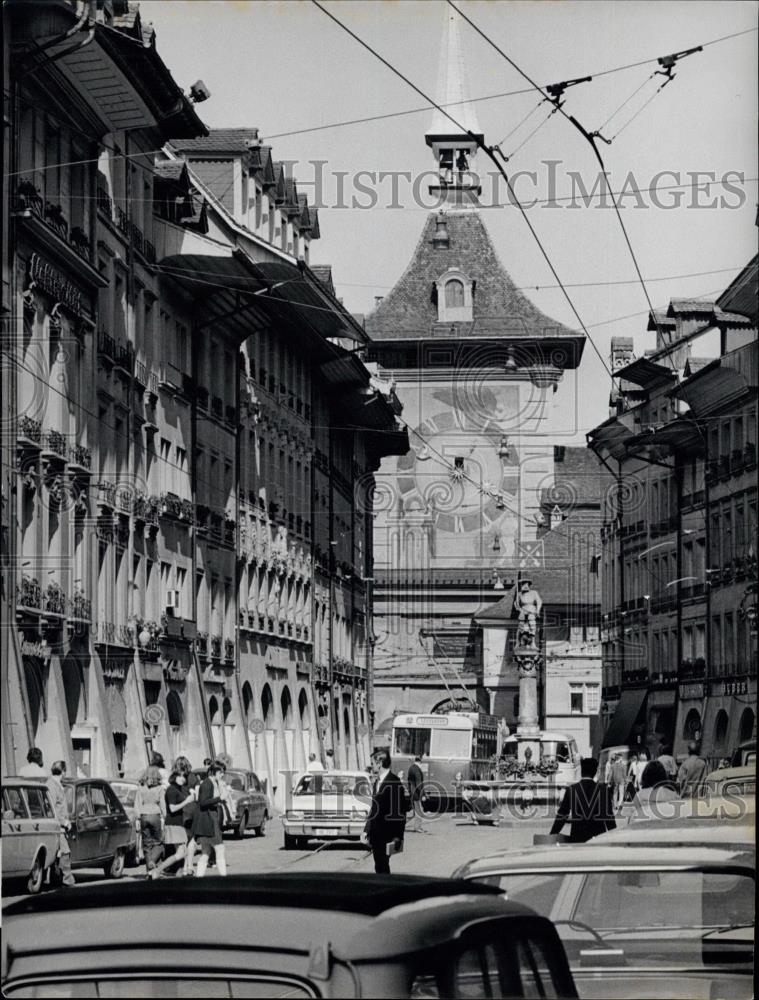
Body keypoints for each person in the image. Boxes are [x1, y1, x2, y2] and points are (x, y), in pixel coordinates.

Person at [550, 757, 616, 843]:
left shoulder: (572, 789)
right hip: (598, 838)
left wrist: (552, 835)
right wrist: (614, 837)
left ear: (581, 772)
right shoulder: (603, 790)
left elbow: (562, 815)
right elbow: (609, 817)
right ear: (595, 772)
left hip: (578, 837)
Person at [363, 750, 407, 873]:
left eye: (373, 763)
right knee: (379, 866)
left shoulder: (394, 782)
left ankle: (386, 889)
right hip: (376, 834)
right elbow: (374, 808)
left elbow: (399, 811)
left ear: (379, 763)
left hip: (387, 833)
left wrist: (398, 836)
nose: (371, 766)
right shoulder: (377, 781)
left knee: (382, 865)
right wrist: (366, 830)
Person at [150, 763, 194, 879]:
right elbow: (172, 808)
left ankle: (169, 872)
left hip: (177, 824)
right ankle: (157, 870)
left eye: (184, 777)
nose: (183, 779)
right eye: (180, 776)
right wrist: (187, 801)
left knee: (181, 853)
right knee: (181, 853)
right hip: (174, 824)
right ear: (175, 776)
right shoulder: (172, 790)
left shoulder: (176, 788)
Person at [194, 760, 228, 877]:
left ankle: (199, 878)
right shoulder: (207, 784)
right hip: (208, 821)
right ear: (215, 771)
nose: (222, 774)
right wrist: (219, 799)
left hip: (209, 820)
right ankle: (224, 878)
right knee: (220, 848)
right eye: (221, 772)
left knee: (206, 852)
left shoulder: (212, 783)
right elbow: (203, 802)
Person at [47, 760, 75, 887]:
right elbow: (52, 807)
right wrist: (64, 821)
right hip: (57, 825)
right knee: (65, 852)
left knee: (58, 854)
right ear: (62, 772)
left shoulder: (56, 784)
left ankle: (56, 880)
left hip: (60, 825)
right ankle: (67, 880)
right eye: (65, 771)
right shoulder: (52, 785)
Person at [135, 765, 165, 877]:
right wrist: (165, 817)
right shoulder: (160, 789)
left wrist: (137, 818)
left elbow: (137, 804)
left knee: (147, 845)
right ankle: (152, 861)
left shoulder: (141, 788)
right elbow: (163, 805)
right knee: (158, 843)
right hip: (155, 815)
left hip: (143, 815)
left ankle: (149, 871)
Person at [406, 755, 426, 833]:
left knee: (414, 812)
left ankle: (399, 825)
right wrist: (423, 794)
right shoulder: (417, 770)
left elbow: (409, 782)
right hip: (417, 794)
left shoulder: (411, 768)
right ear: (420, 762)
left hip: (412, 793)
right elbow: (419, 783)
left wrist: (410, 791)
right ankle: (418, 827)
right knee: (419, 811)